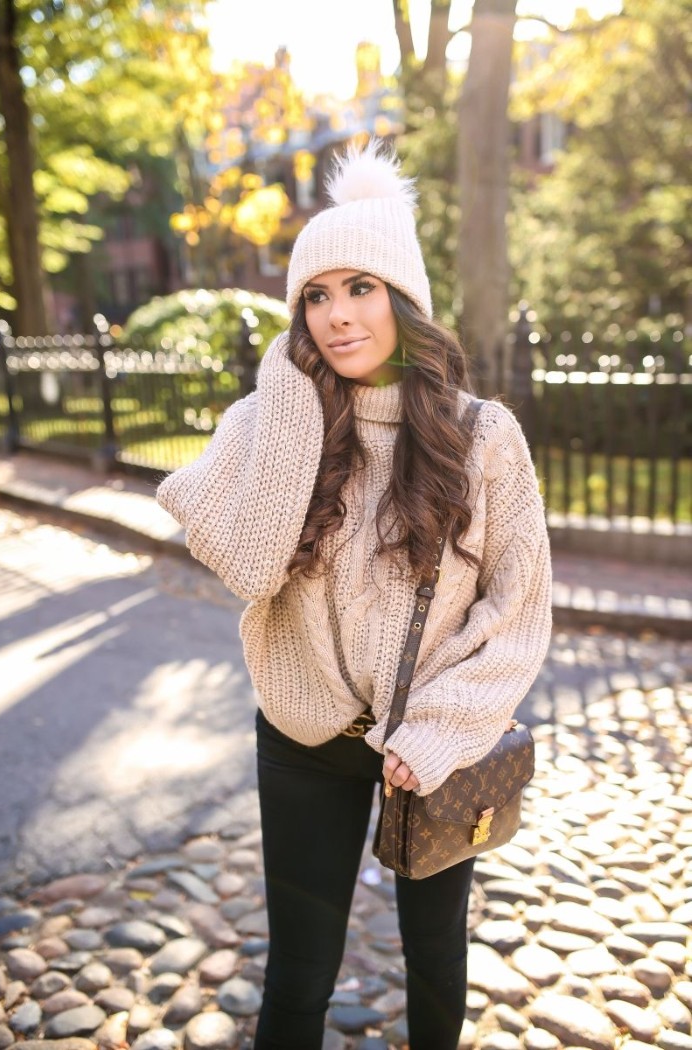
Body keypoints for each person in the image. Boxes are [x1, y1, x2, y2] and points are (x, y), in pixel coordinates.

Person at [156, 139, 552, 1050]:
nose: (336, 315)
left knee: (435, 956)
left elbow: (517, 611)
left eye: (359, 287)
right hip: (302, 736)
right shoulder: (267, 423)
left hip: (432, 744)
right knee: (298, 976)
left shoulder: (482, 437)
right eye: (315, 296)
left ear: (403, 298)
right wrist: (291, 403)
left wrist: (443, 725)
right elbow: (248, 563)